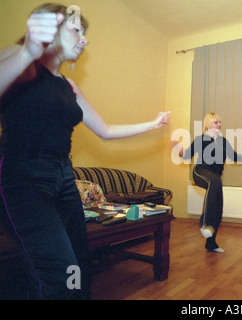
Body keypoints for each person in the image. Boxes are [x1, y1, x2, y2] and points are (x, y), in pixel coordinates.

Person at [0, 3, 170, 300]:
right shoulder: (21, 63)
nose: (84, 38)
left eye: (85, 33)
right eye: (77, 29)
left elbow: (105, 130)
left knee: (77, 267)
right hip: (23, 178)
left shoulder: (69, 85)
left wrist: (152, 124)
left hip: (64, 177)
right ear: (51, 29)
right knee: (58, 273)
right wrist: (28, 50)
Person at [173, 113, 242, 253]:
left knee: (218, 209)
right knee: (214, 182)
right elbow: (187, 155)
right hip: (200, 172)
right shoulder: (201, 140)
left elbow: (234, 156)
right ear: (208, 124)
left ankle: (211, 244)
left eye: (219, 122)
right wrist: (178, 149)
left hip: (216, 178)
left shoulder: (223, 141)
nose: (219, 124)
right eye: (215, 122)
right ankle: (204, 223)